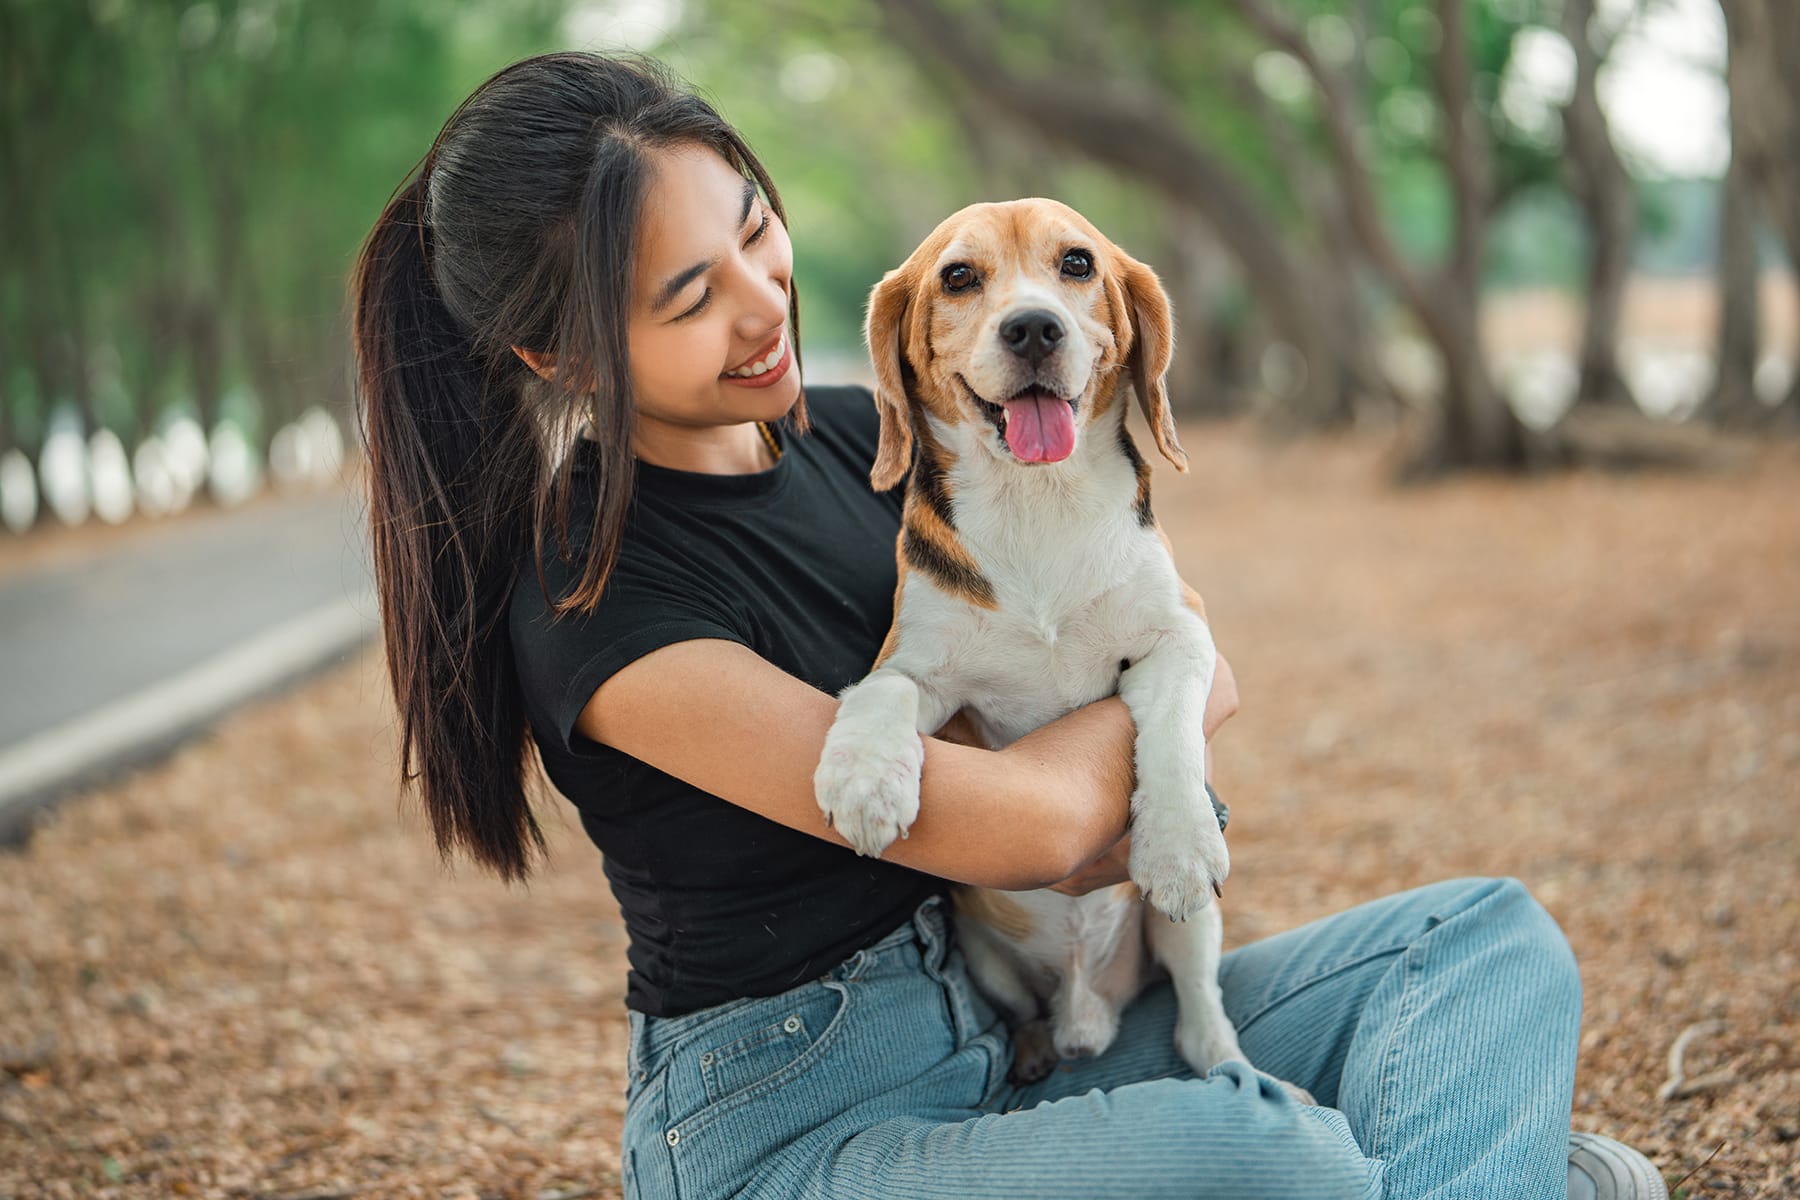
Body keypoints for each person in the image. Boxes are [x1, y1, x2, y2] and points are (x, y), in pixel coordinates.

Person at [349, 50, 1668, 1200]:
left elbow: (1183, 625)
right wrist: (1147, 740)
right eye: (689, 297)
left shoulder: (871, 440)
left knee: (1484, 943)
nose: (762, 305)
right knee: (1280, 1163)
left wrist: (1153, 713)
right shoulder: (594, 598)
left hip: (1029, 1020)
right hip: (803, 1131)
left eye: (757, 231)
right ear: (562, 356)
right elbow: (1034, 825)